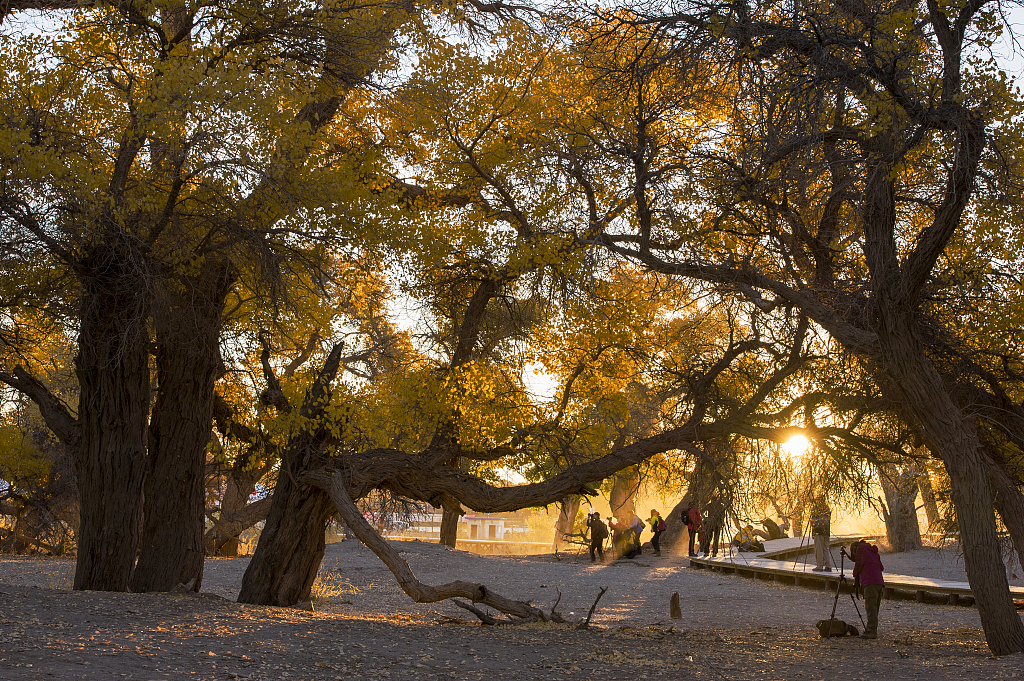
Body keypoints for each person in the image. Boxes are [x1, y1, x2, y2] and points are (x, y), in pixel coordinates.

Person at [852, 540, 885, 639]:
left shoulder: (859, 549)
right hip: (879, 581)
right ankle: (871, 628)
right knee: (875, 608)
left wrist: (855, 574)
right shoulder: (873, 551)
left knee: (870, 608)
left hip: (869, 582)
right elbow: (881, 567)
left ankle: (871, 631)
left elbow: (858, 563)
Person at [810, 496, 833, 572]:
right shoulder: (826, 508)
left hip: (818, 531)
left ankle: (819, 566)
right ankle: (828, 565)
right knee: (825, 549)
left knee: (818, 549)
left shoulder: (816, 509)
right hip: (826, 532)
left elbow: (813, 521)